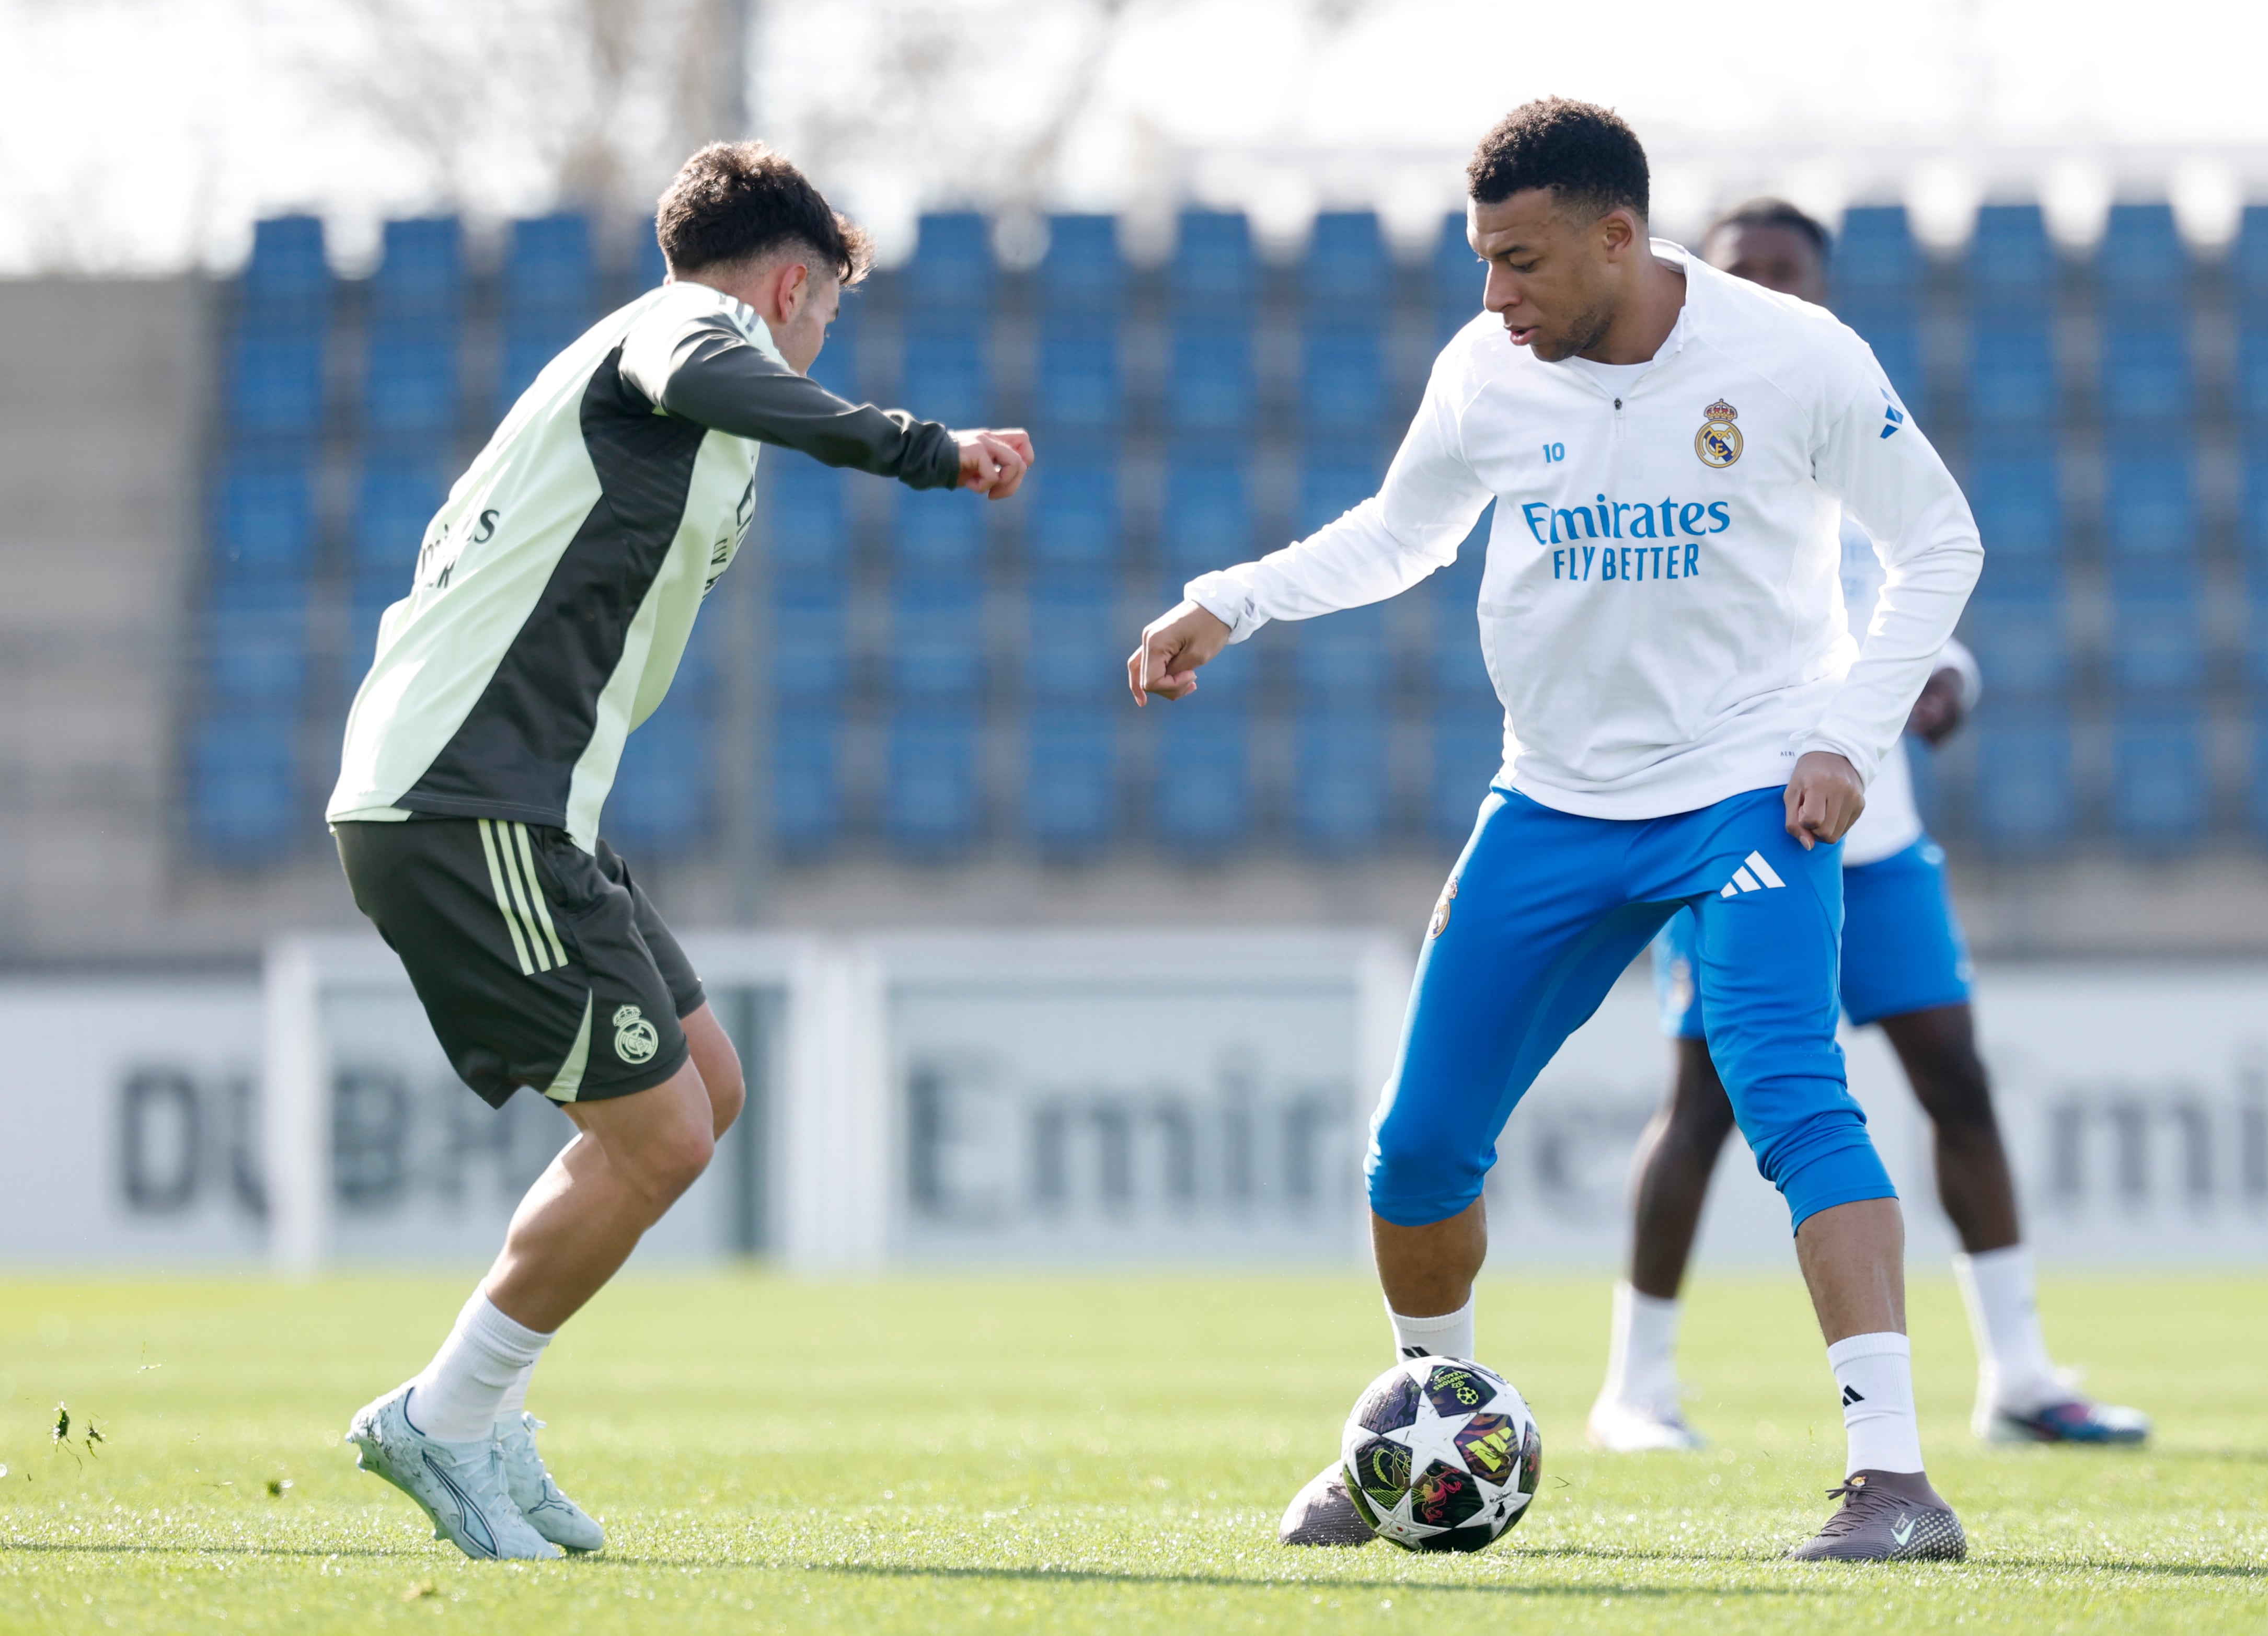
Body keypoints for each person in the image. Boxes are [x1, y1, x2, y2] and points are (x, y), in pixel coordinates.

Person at [1132, 101, 1983, 1562]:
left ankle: (1892, 1477)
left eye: (1519, 261)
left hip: (1743, 788)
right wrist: (1237, 596)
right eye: (1480, 261)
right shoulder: (1487, 369)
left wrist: (1841, 733)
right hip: (1554, 796)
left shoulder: (1790, 355)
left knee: (1790, 1098)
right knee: (1415, 1151)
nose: (1492, 295)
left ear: (1615, 236)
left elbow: (1940, 540)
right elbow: (1402, 531)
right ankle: (1423, 1419)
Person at [327, 141, 1032, 1560]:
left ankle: (482, 1408)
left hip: (528, 803)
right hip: (469, 804)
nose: (819, 332)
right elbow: (712, 370)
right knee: (655, 1130)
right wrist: (923, 447)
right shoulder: (683, 329)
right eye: (823, 307)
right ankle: (445, 1413)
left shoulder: (632, 381)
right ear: (789, 283)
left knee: (705, 1090)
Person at [1585, 200, 2149, 1458]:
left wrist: (1949, 683)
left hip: (1872, 840)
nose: (1774, 291)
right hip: (1729, 831)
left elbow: (1919, 595)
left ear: (1825, 289)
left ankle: (2016, 1373)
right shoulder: (1673, 435)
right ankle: (1637, 1387)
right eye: (1750, 274)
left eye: (1794, 274)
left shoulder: (1849, 417)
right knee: (1704, 1108)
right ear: (1701, 286)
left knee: (1956, 1083)